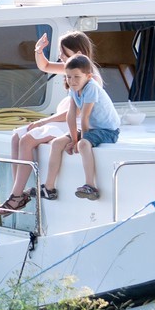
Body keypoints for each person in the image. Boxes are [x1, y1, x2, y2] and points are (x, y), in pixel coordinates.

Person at [0, 30, 95, 213]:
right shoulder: (72, 68)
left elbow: (73, 113)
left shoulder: (90, 77)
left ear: (78, 53)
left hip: (76, 123)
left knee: (27, 140)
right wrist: (38, 50)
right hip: (63, 119)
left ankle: (16, 197)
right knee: (17, 136)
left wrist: (42, 122)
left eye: (64, 53)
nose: (60, 57)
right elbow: (45, 66)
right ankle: (17, 192)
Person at [40, 54, 121, 201]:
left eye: (76, 77)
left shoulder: (91, 88)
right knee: (58, 143)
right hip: (92, 128)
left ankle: (90, 185)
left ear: (88, 76)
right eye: (68, 77)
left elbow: (84, 116)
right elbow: (71, 115)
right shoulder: (73, 88)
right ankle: (49, 187)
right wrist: (73, 138)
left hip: (108, 130)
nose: (72, 81)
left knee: (84, 144)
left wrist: (79, 141)